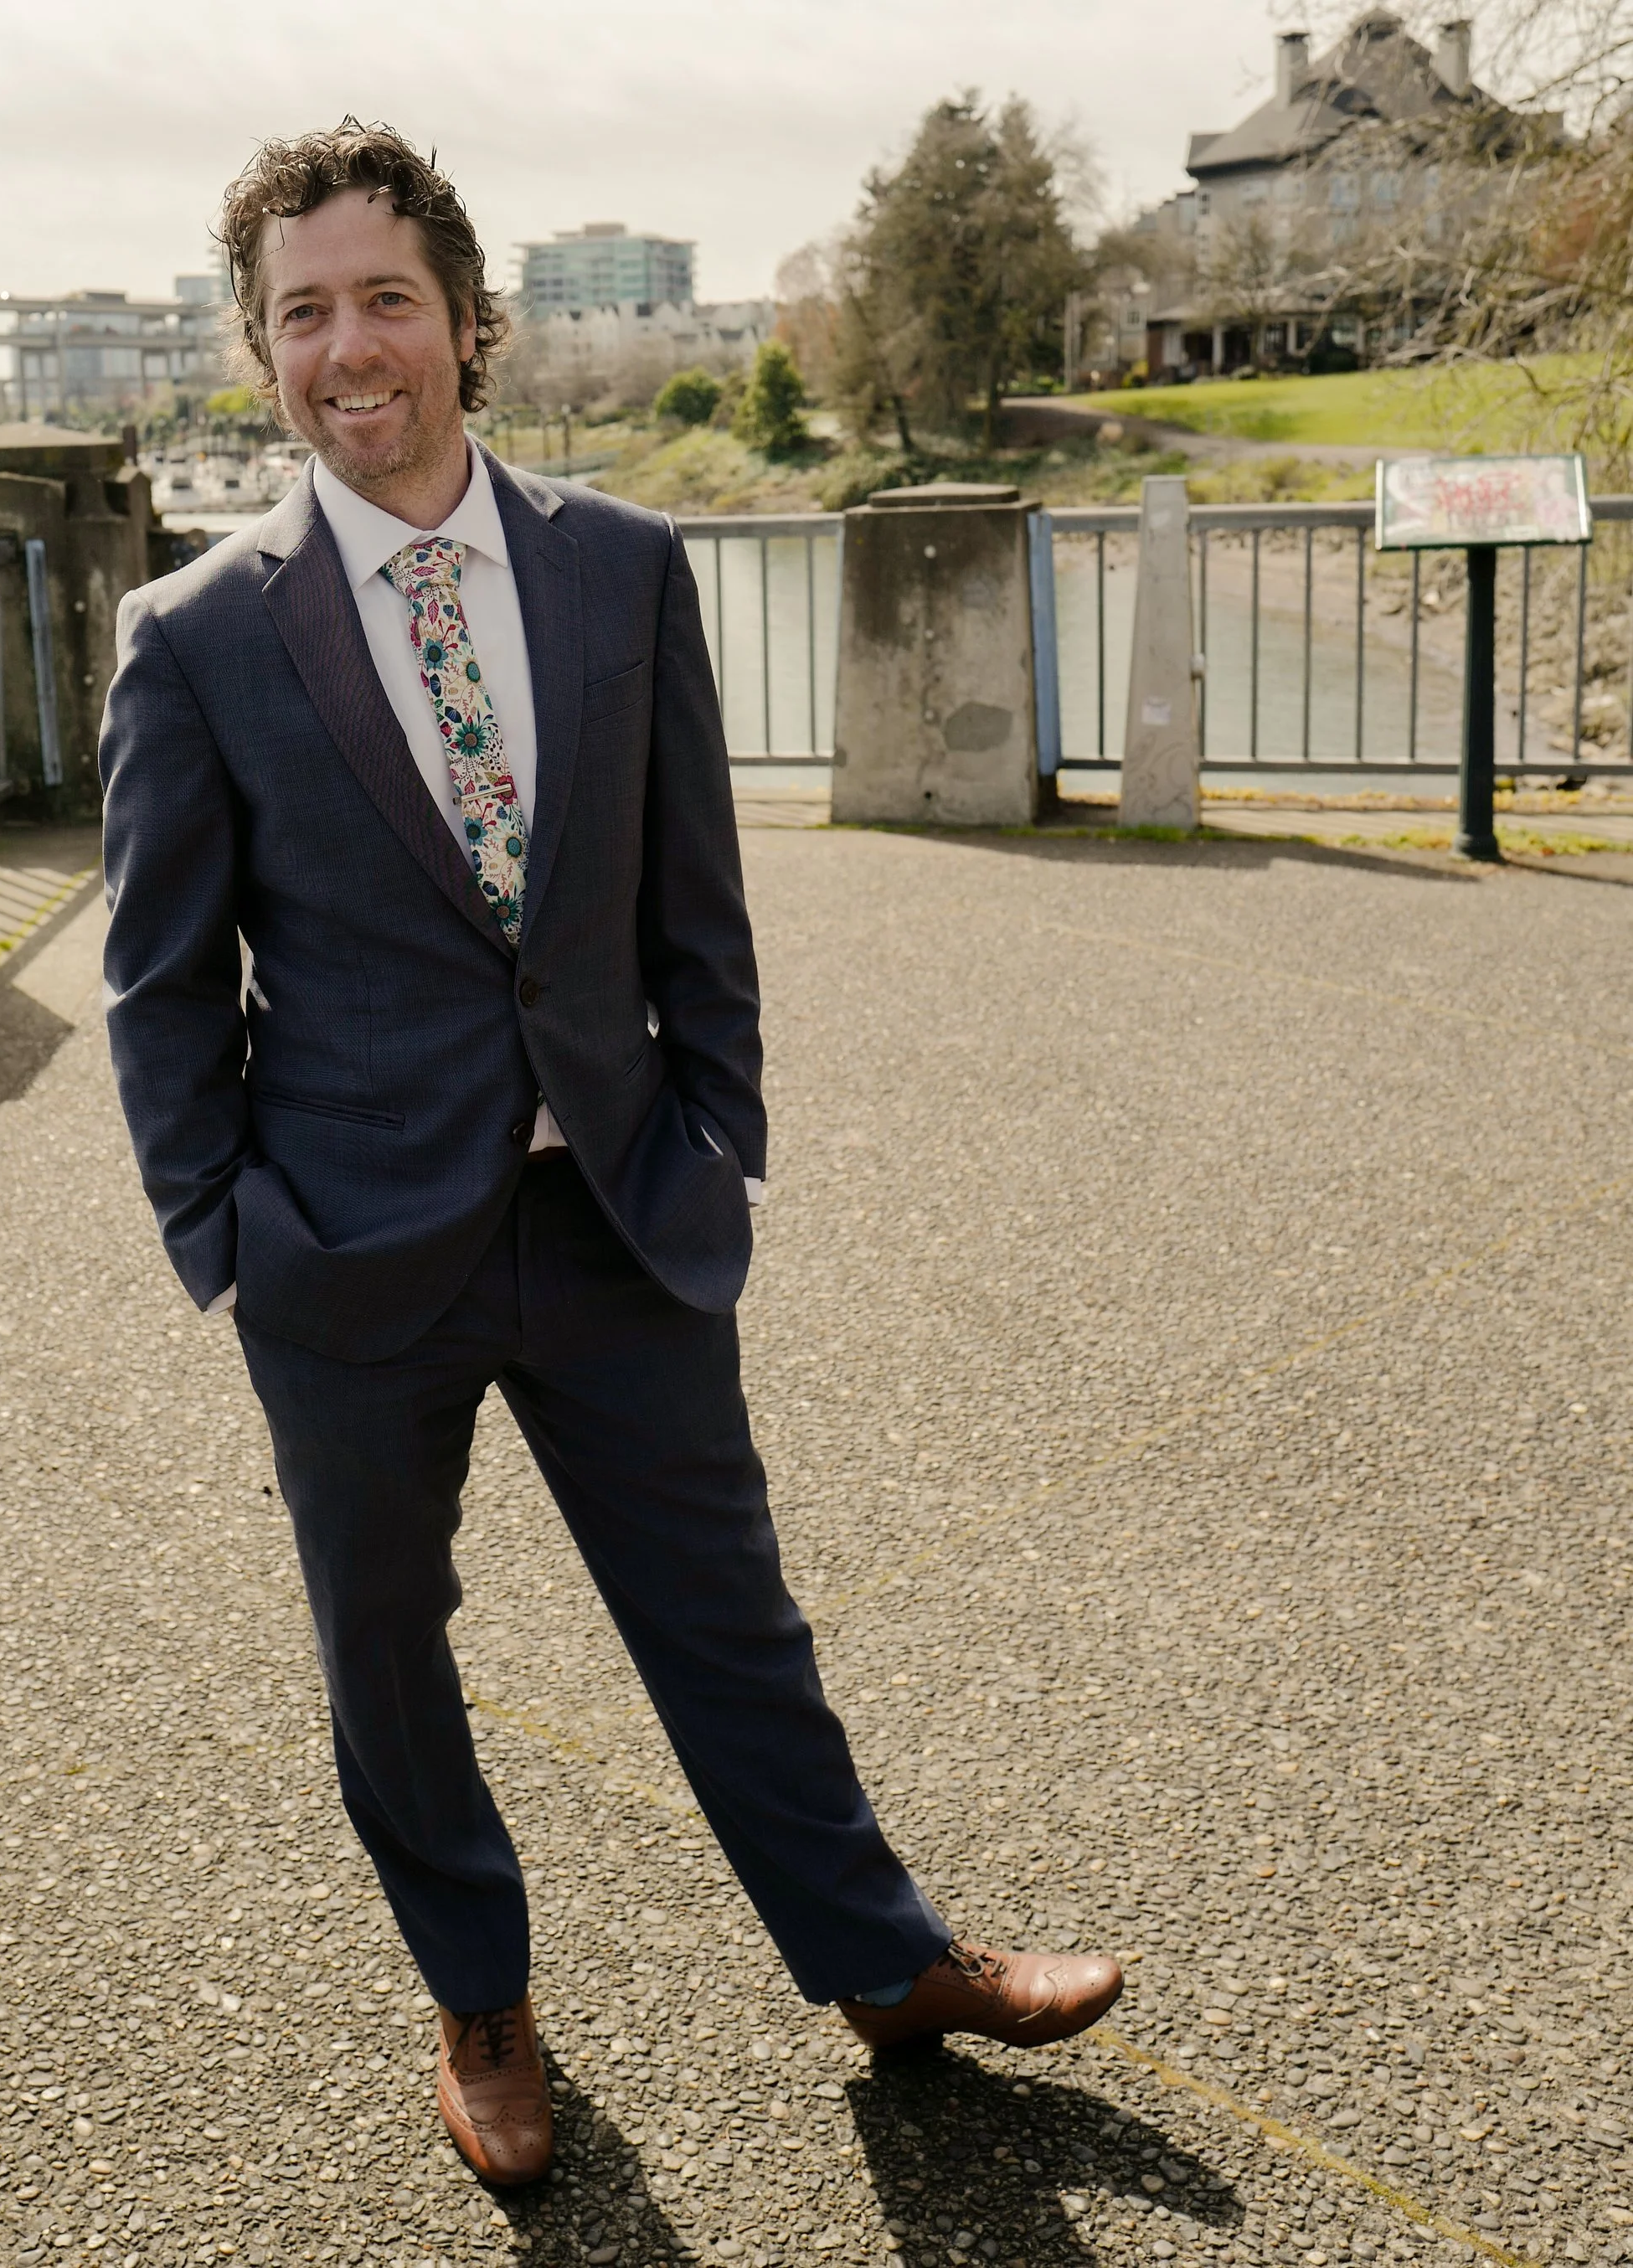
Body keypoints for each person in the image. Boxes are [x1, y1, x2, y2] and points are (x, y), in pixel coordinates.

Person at [99, 120, 1122, 2188]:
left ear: (467, 319)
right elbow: (158, 983)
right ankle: (479, 2000)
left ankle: (884, 1962)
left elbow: (692, 893)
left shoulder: (620, 567)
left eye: (386, 298)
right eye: (302, 312)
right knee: (386, 1654)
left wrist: (715, 1127)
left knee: (729, 1619)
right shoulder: (195, 636)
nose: (348, 346)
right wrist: (229, 1240)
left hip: (615, 1206)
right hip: (346, 1252)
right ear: (259, 349)